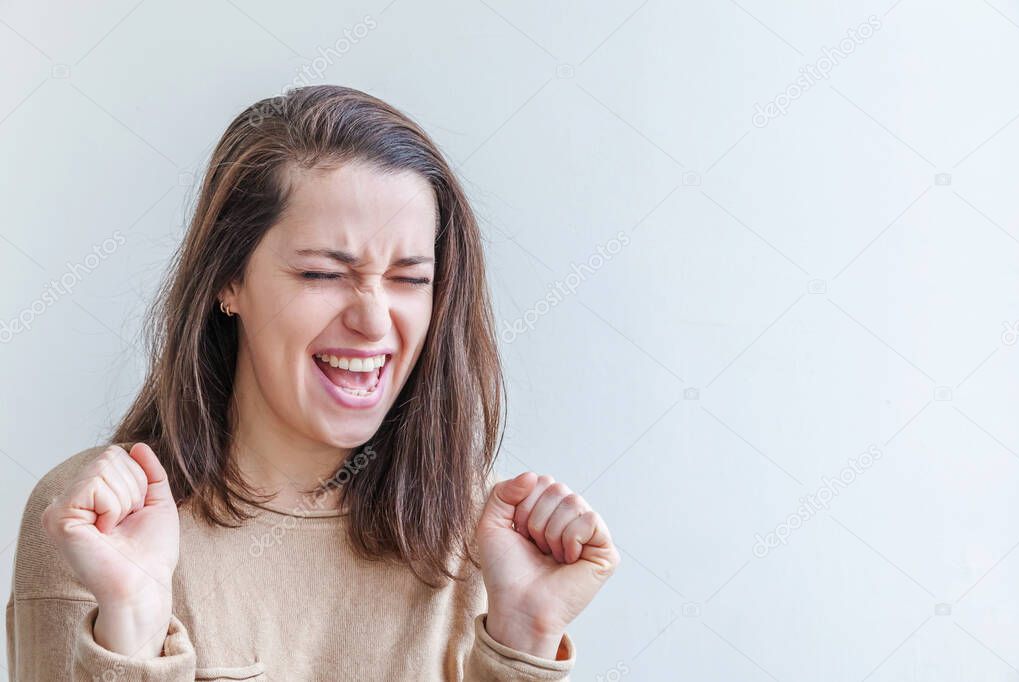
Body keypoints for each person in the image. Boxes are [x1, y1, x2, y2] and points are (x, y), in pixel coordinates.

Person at [5, 85, 619, 680]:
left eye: (409, 279)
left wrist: (523, 639)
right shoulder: (96, 523)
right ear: (229, 281)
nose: (374, 319)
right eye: (324, 273)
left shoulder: (488, 537)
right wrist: (133, 629)